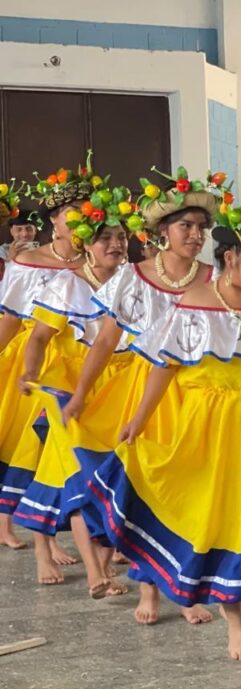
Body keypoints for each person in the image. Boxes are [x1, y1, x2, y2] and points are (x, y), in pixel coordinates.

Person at [88, 200, 241, 664]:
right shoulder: (196, 305)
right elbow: (164, 366)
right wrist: (140, 418)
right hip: (212, 424)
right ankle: (233, 623)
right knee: (216, 515)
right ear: (231, 258)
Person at [60, 165, 228, 625]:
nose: (195, 235)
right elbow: (105, 340)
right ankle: (148, 587)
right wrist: (81, 394)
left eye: (201, 227)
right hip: (142, 392)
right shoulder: (132, 276)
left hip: (196, 393)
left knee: (192, 489)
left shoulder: (214, 277)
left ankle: (186, 589)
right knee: (144, 487)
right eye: (185, 226)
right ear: (162, 232)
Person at [11, 182, 135, 594]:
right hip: (69, 386)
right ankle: (88, 570)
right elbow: (37, 338)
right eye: (105, 238)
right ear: (87, 244)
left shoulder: (134, 282)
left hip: (121, 386)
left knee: (112, 474)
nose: (116, 244)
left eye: (121, 237)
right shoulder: (66, 284)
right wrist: (30, 372)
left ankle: (105, 562)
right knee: (78, 474)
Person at [0, 157, 100, 554]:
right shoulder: (29, 261)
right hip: (35, 354)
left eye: (84, 212)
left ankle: (65, 532)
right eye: (71, 213)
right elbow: (11, 318)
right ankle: (13, 525)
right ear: (54, 221)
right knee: (28, 442)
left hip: (84, 357)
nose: (78, 220)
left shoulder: (97, 260)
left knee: (69, 447)